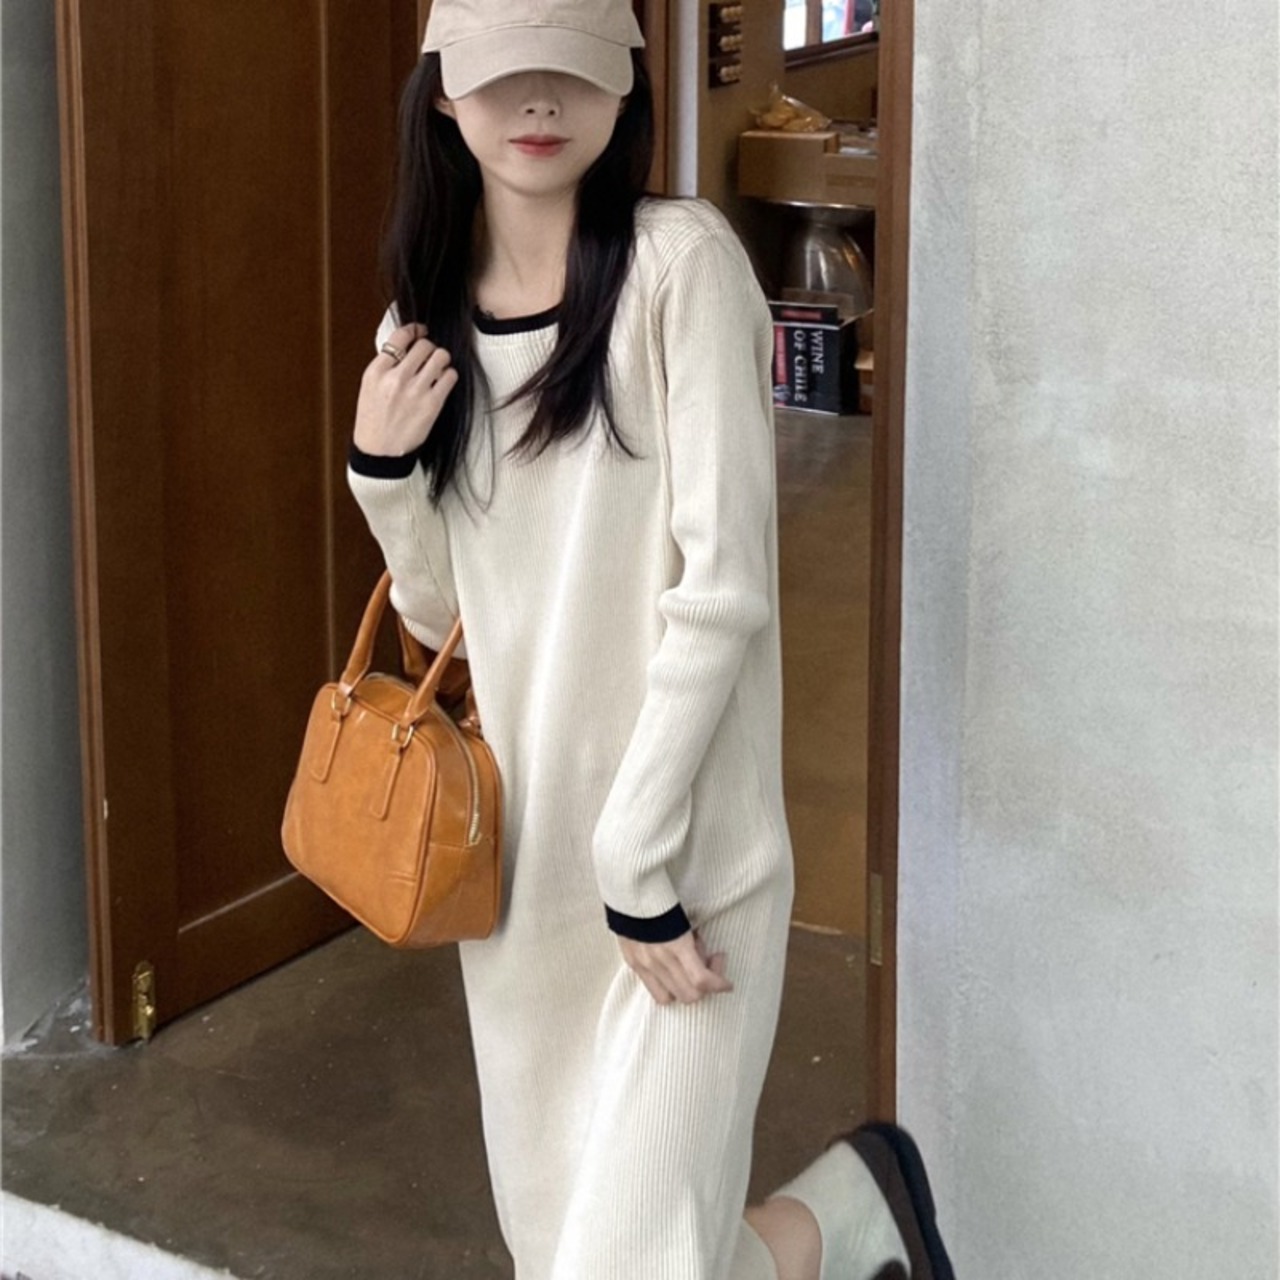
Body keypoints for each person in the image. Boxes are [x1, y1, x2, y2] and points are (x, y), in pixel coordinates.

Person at [346, 2, 953, 1277]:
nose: (537, 102)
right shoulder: (422, 326)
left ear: (623, 83)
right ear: (441, 94)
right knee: (583, 1252)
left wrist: (635, 856)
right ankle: (844, 1215)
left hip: (682, 864)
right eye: (502, 75)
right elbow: (449, 629)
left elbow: (721, 586)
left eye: (570, 70)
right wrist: (383, 474)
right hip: (525, 885)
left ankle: (842, 1215)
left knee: (627, 1260)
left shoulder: (680, 268)